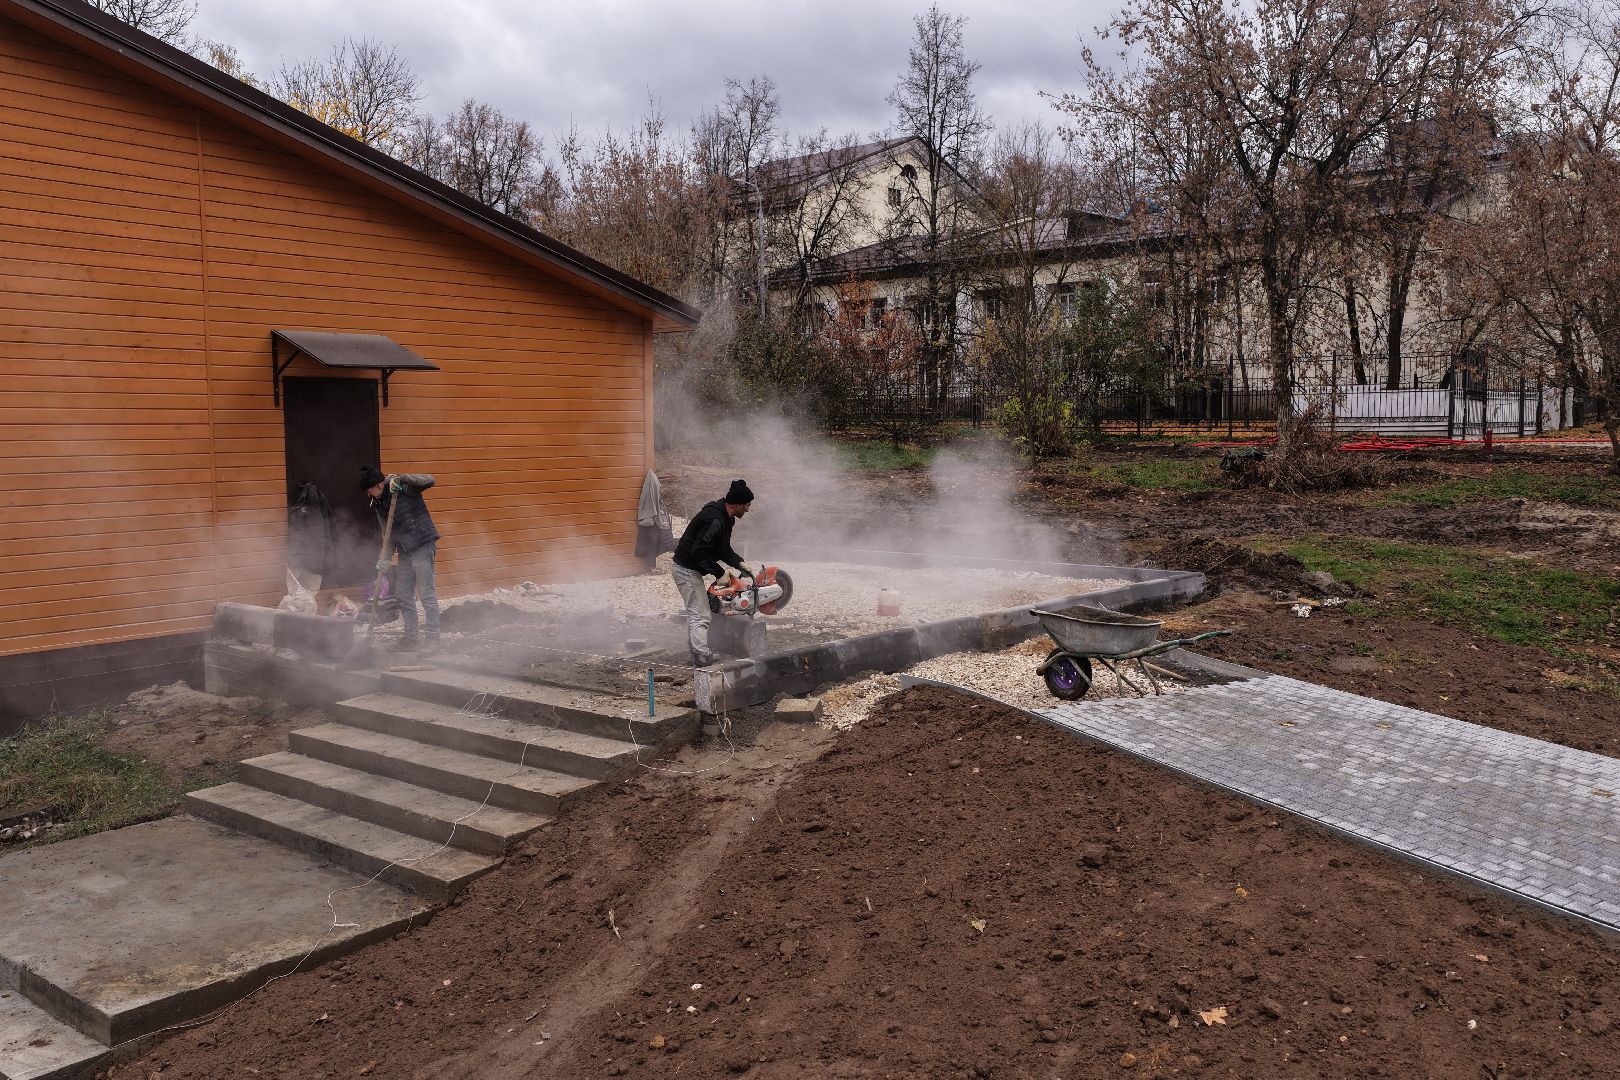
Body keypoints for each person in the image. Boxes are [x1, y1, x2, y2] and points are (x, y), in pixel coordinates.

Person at [671, 479, 754, 666]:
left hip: (691, 568)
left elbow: (722, 549)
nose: (748, 509)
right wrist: (719, 573)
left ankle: (697, 650)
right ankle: (701, 656)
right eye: (747, 505)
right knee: (700, 613)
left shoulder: (726, 518)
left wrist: (739, 563)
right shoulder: (715, 520)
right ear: (738, 504)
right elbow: (698, 552)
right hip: (685, 569)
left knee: (697, 611)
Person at [361, 464, 441, 654]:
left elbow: (430, 480)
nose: (369, 494)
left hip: (423, 545)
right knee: (403, 595)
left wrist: (404, 478)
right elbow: (388, 537)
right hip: (405, 551)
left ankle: (433, 640)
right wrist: (384, 559)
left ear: (379, 484)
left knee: (426, 593)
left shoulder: (404, 488)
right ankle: (411, 638)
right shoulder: (378, 504)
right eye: (367, 491)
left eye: (370, 489)